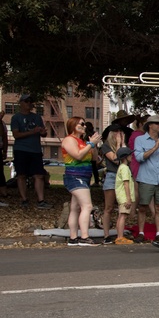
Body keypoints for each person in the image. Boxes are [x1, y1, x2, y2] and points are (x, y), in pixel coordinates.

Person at [61, 117, 102, 245]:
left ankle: (73, 238)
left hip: (84, 177)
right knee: (87, 206)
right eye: (82, 124)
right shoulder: (69, 140)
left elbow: (95, 159)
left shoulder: (83, 142)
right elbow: (77, 155)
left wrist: (93, 144)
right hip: (74, 176)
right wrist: (90, 144)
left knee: (75, 207)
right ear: (73, 125)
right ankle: (84, 237)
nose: (84, 126)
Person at [133, 114, 159, 243]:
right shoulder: (140, 140)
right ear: (150, 126)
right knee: (143, 206)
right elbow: (139, 158)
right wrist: (154, 147)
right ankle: (140, 232)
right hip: (146, 177)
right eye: (157, 124)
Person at [10, 95, 51, 209]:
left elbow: (43, 134)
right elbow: (16, 135)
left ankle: (41, 200)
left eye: (31, 101)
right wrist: (33, 132)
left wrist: (42, 132)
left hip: (35, 150)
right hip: (21, 149)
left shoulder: (37, 117)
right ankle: (24, 199)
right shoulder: (16, 118)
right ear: (21, 103)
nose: (29, 103)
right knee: (21, 175)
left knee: (38, 175)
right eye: (27, 101)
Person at [99, 124, 126, 243]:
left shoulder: (123, 145)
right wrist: (119, 144)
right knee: (108, 207)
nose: (119, 134)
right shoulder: (106, 146)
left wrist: (123, 144)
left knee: (123, 207)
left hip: (123, 177)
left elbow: (127, 158)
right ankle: (106, 235)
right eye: (116, 132)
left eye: (121, 132)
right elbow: (115, 159)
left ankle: (120, 234)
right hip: (111, 176)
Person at [113, 146, 136, 245]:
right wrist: (128, 199)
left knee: (120, 216)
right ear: (125, 157)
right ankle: (120, 237)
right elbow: (126, 184)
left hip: (120, 196)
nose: (131, 156)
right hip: (124, 196)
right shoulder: (125, 168)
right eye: (129, 155)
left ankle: (119, 236)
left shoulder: (121, 167)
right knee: (123, 216)